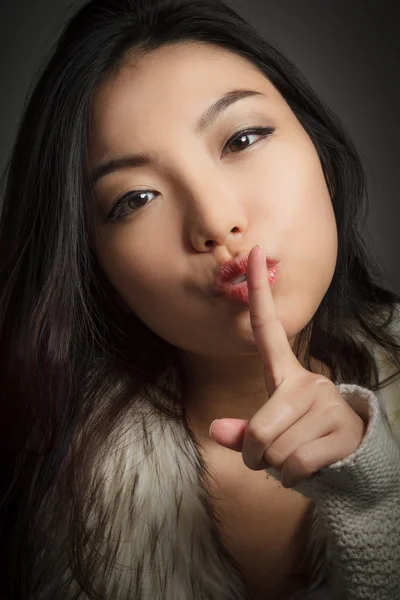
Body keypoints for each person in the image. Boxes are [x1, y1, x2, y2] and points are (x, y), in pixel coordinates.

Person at [0, 0, 399, 598]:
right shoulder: (44, 489)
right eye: (134, 198)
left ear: (325, 163)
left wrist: (375, 495)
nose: (216, 221)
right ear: (99, 271)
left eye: (242, 138)